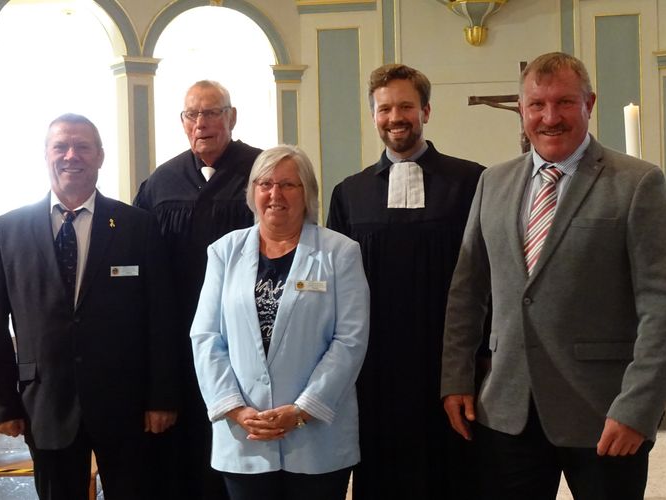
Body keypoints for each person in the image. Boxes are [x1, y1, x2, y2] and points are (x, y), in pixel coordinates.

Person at [441, 52, 666, 499]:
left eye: (564, 102)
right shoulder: (492, 183)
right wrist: (457, 377)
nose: (549, 117)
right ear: (522, 110)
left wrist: (638, 406)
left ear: (589, 103)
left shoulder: (637, 183)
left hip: (603, 410)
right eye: (537, 104)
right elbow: (468, 291)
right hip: (507, 406)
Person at [0, 113, 179, 499]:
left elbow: (161, 320)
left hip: (126, 405)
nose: (72, 155)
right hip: (46, 403)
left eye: (83, 147)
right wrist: (1, 404)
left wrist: (162, 397)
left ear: (100, 156)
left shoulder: (138, 226)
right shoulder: (7, 231)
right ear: (46, 155)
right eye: (61, 146)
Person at [326, 63, 487, 500]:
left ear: (426, 111)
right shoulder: (350, 192)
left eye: (405, 106)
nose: (395, 117)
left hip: (449, 361)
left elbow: (488, 278)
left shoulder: (471, 181)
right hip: (375, 368)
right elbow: (333, 289)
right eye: (384, 109)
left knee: (456, 474)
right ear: (374, 115)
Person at [190, 145, 369, 500]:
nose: (275, 194)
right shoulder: (223, 252)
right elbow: (206, 336)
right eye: (265, 183)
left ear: (308, 193)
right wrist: (236, 409)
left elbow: (349, 340)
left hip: (317, 436)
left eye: (289, 185)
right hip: (245, 434)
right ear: (252, 192)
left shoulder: (340, 252)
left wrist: (302, 410)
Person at [133, 80, 261, 499]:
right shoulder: (161, 183)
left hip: (245, 340)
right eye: (193, 114)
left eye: (212, 113)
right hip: (177, 343)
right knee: (181, 454)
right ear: (183, 122)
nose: (202, 123)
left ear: (232, 117)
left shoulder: (262, 174)